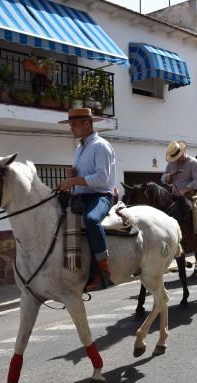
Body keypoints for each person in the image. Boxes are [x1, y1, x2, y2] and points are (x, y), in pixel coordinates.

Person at [57, 108, 116, 291]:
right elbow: (85, 175)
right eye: (70, 124)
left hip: (101, 195)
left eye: (75, 124)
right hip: (81, 196)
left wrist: (73, 180)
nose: (72, 128)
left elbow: (102, 179)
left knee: (91, 219)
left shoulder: (101, 145)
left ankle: (103, 271)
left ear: (87, 123)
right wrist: (74, 174)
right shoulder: (79, 148)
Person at [162, 141, 197, 251]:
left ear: (183, 152)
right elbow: (162, 178)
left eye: (178, 157)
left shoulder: (193, 162)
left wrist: (184, 190)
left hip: (192, 195)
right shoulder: (171, 164)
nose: (177, 160)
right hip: (174, 196)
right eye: (174, 158)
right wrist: (169, 176)